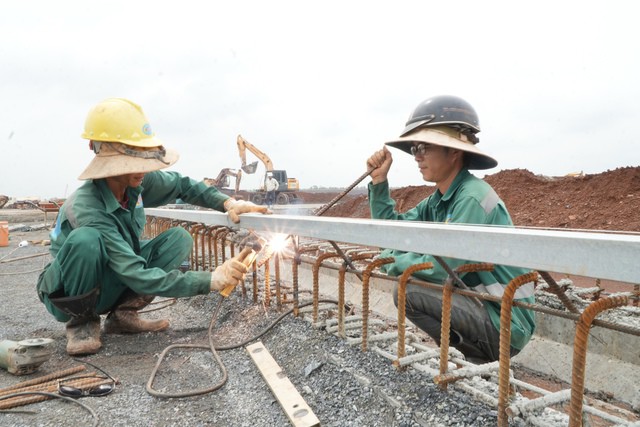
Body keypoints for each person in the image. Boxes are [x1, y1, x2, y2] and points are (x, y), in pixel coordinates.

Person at [36, 98, 269, 356]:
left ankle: (123, 314)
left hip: (112, 275)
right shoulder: (87, 207)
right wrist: (211, 280)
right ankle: (82, 323)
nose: (145, 169)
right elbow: (133, 272)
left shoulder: (135, 182)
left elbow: (182, 185)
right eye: (137, 162)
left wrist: (227, 203)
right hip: (68, 294)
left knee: (179, 239)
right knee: (86, 240)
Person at [366, 95, 535, 363]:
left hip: (504, 320)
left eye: (424, 147)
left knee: (408, 292)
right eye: (414, 149)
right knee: (412, 285)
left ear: (454, 152)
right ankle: (468, 359)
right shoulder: (439, 200)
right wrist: (379, 183)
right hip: (480, 306)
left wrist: (391, 261)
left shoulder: (471, 198)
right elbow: (393, 231)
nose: (417, 156)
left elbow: (441, 266)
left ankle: (472, 359)